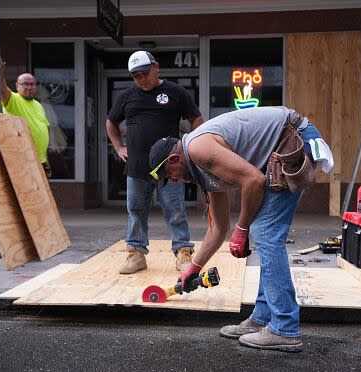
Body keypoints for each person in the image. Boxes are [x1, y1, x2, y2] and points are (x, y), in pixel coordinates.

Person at [148, 106, 332, 353]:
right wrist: (193, 269)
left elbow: (253, 180)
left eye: (169, 176)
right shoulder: (202, 168)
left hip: (292, 140)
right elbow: (219, 227)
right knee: (263, 232)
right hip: (280, 146)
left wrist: (242, 228)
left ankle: (285, 328)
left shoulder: (198, 149)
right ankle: (262, 319)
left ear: (173, 160)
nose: (173, 181)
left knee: (265, 233)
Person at [106, 51, 204, 274]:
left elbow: (196, 119)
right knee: (136, 210)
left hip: (171, 167)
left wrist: (188, 148)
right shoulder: (126, 96)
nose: (141, 79)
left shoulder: (175, 92)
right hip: (137, 166)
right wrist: (119, 147)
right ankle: (136, 254)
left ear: (156, 67)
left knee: (175, 210)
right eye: (136, 76)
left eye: (144, 73)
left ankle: (183, 253)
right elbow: (111, 122)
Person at [0, 60, 51, 177]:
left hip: (40, 162)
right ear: (17, 86)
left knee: (39, 195)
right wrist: (0, 74)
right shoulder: (13, 100)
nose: (29, 87)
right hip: (23, 161)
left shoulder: (38, 105)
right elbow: (2, 89)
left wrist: (46, 161)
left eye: (32, 84)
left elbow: (43, 134)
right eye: (25, 84)